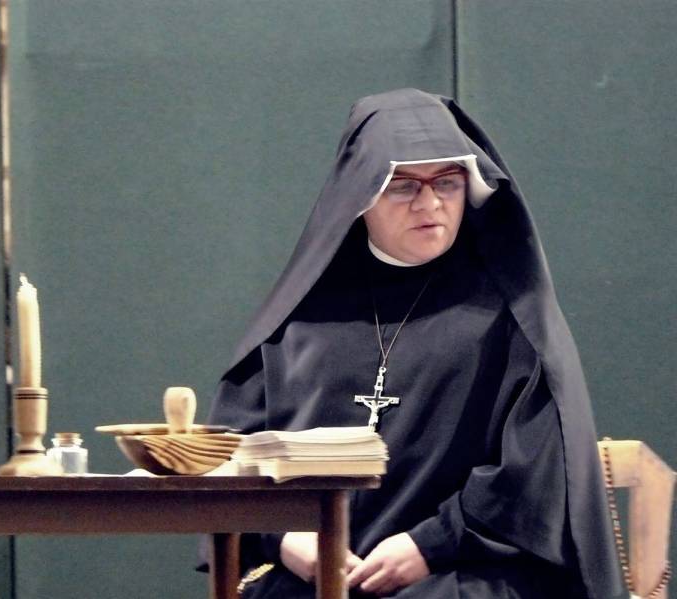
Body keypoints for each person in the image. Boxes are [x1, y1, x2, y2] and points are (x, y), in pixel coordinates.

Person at [207, 88, 623, 598]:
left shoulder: (510, 317)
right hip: (311, 576)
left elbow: (536, 471)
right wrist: (286, 538)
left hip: (461, 568)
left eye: (446, 182)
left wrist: (432, 543)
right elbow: (228, 456)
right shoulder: (298, 321)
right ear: (360, 196)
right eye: (403, 186)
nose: (430, 204)